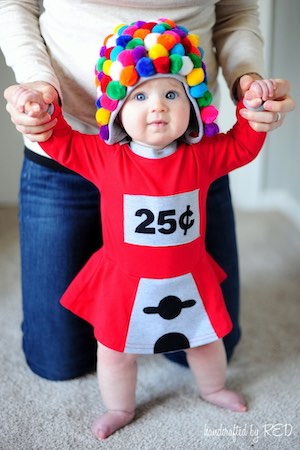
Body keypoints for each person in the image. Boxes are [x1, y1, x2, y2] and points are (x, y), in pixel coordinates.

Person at [0, 1, 295, 381]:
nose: (157, 107)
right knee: (59, 362)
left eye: (171, 96)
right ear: (119, 105)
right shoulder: (101, 155)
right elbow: (64, 143)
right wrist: (39, 99)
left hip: (183, 268)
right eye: (140, 97)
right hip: (70, 166)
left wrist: (253, 97)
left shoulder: (202, 156)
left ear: (190, 99)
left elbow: (240, 144)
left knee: (209, 344)